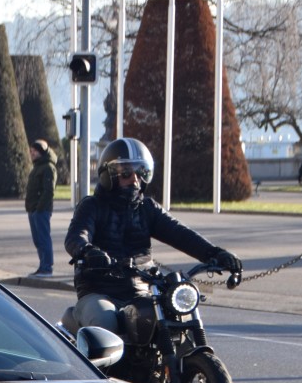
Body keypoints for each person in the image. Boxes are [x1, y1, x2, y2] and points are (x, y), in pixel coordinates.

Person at [63, 137, 243, 335]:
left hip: (142, 290)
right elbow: (76, 236)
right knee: (105, 323)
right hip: (100, 291)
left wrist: (215, 253)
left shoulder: (147, 208)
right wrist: (88, 251)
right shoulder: (92, 206)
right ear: (109, 175)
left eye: (141, 172)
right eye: (126, 173)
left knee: (174, 314)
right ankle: (96, 365)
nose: (135, 180)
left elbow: (180, 233)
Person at [24, 138, 57, 277]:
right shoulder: (37, 166)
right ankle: (42, 265)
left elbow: (48, 191)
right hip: (33, 209)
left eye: (35, 151)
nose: (32, 154)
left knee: (43, 239)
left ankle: (47, 267)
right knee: (38, 240)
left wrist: (39, 208)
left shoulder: (48, 167)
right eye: (31, 151)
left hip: (41, 210)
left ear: (41, 151)